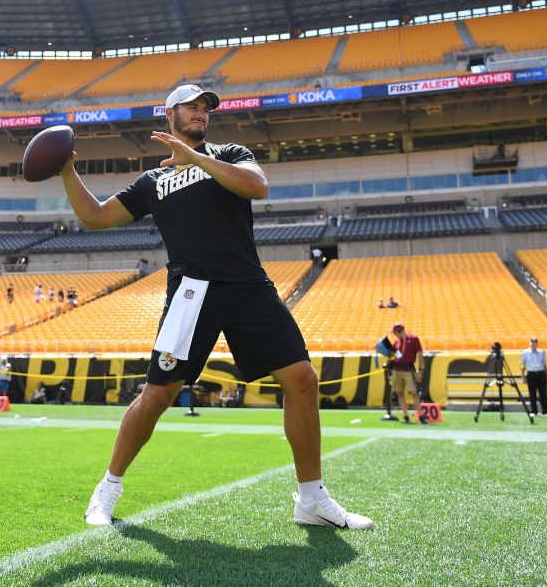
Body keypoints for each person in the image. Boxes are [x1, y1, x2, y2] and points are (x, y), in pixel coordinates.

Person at [59, 84, 372, 529]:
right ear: (169, 113)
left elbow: (257, 187)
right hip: (190, 294)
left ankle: (311, 500)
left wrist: (199, 159)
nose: (201, 112)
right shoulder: (153, 182)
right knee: (157, 396)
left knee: (301, 379)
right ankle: (106, 490)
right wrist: (66, 170)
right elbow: (94, 217)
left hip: (247, 287)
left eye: (205, 108)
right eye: (191, 106)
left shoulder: (230, 151)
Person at [387, 323, 423, 424]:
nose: (394, 335)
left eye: (395, 333)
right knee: (399, 392)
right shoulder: (396, 341)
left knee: (413, 392)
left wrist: (420, 370)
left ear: (399, 331)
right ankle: (405, 416)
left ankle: (421, 416)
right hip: (396, 369)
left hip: (408, 369)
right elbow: (392, 355)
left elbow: (420, 354)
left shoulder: (414, 339)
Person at [520, 337, 547, 416]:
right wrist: (523, 376)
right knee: (532, 394)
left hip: (541, 374)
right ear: (529, 343)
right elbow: (522, 364)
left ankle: (545, 411)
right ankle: (533, 411)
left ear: (537, 343)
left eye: (535, 342)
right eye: (532, 342)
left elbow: (545, 365)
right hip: (531, 374)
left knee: (543, 394)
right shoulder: (525, 352)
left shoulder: (541, 352)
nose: (533, 344)